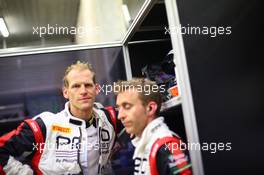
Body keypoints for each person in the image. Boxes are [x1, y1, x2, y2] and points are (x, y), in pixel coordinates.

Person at [0, 61, 121, 175]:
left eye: (88, 85)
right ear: (65, 92)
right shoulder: (45, 127)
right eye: (76, 86)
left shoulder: (110, 119)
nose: (83, 91)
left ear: (96, 89)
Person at [115, 78, 192, 175]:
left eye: (127, 106)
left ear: (150, 108)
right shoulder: (146, 143)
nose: (120, 116)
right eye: (118, 108)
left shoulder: (168, 148)